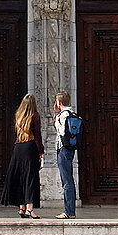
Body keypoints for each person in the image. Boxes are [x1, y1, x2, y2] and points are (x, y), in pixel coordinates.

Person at [1, 93, 44, 218]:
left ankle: (21, 207)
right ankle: (30, 209)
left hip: (18, 148)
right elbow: (37, 136)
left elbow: (15, 135)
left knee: (20, 177)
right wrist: (41, 151)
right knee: (30, 178)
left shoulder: (18, 116)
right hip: (30, 148)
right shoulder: (35, 116)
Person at [53, 91, 77, 220]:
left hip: (63, 149)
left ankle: (69, 211)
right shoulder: (72, 113)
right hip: (70, 149)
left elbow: (62, 132)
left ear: (59, 102)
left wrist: (56, 121)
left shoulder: (63, 115)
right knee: (68, 179)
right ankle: (70, 210)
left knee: (66, 181)